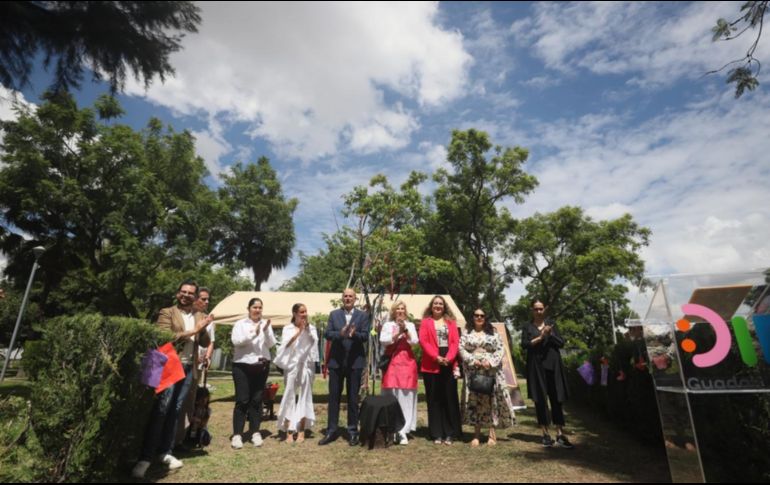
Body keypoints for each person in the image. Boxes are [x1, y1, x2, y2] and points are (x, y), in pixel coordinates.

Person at [132, 280, 213, 479]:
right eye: (183, 292)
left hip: (187, 368)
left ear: (195, 297)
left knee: (176, 410)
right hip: (168, 367)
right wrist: (194, 330)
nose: (186, 295)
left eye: (190, 293)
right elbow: (164, 336)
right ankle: (145, 457)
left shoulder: (199, 316)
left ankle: (165, 452)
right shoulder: (167, 312)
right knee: (161, 410)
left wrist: (203, 328)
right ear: (178, 294)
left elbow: (205, 342)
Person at [319, 288, 370, 446]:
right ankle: (331, 430)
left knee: (353, 398)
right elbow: (328, 334)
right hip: (336, 362)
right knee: (333, 397)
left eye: (350, 296)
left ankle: (353, 431)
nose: (348, 298)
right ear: (342, 298)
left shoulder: (362, 315)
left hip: (355, 362)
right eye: (345, 296)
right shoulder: (334, 314)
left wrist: (354, 334)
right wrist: (340, 334)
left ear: (355, 299)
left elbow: (365, 336)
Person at [459, 309, 516, 447]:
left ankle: (492, 433)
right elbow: (461, 348)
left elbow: (500, 349)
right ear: (472, 317)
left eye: (482, 315)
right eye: (476, 315)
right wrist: (473, 360)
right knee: (475, 402)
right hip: (474, 372)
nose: (479, 317)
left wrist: (490, 362)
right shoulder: (466, 334)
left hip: (491, 372)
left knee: (492, 400)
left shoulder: (493, 333)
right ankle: (476, 434)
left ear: (485, 318)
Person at [521, 300, 574, 449]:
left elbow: (561, 343)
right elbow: (524, 344)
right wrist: (540, 337)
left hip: (553, 365)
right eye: (536, 309)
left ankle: (560, 434)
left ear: (544, 310)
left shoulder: (551, 324)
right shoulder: (527, 326)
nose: (539, 311)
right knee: (540, 399)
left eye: (541, 309)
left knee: (557, 398)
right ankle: (545, 434)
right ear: (532, 310)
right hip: (536, 366)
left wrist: (549, 334)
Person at [230, 298, 276, 449]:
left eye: (260, 307)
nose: (257, 310)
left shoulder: (266, 324)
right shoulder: (240, 324)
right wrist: (254, 333)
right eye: (255, 307)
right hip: (242, 365)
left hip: (261, 365)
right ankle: (237, 434)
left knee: (257, 400)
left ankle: (255, 432)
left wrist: (265, 331)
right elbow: (236, 341)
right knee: (242, 400)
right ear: (248, 309)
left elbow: (271, 344)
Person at [174, 287, 216, 448]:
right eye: (203, 299)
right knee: (174, 402)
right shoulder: (181, 315)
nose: (207, 302)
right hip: (178, 362)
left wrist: (207, 357)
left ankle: (183, 437)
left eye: (208, 299)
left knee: (190, 401)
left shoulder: (207, 318)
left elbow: (210, 342)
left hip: (196, 366)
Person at [419, 295, 461, 445]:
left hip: (448, 361)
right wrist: (436, 357)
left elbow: (455, 342)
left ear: (444, 307)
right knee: (434, 399)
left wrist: (449, 358)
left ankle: (450, 433)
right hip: (431, 363)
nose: (438, 306)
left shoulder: (451, 322)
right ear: (431, 306)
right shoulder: (425, 322)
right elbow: (423, 341)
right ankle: (436, 433)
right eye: (435, 303)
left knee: (449, 398)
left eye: (440, 304)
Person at [274, 303, 319, 444]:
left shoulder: (312, 328)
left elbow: (314, 344)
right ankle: (289, 430)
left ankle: (301, 429)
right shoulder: (287, 328)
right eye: (301, 312)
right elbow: (285, 345)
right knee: (289, 395)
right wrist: (299, 332)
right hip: (292, 366)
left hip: (306, 365)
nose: (304, 314)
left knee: (305, 396)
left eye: (305, 311)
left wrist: (307, 330)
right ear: (294, 314)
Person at [379, 300, 419, 445]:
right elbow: (383, 340)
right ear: (394, 311)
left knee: (406, 396)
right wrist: (397, 334)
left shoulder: (410, 325)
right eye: (398, 309)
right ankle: (391, 427)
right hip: (392, 362)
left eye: (402, 309)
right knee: (391, 394)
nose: (400, 311)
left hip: (407, 362)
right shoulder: (388, 325)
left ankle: (403, 430)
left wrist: (405, 330)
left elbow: (415, 341)